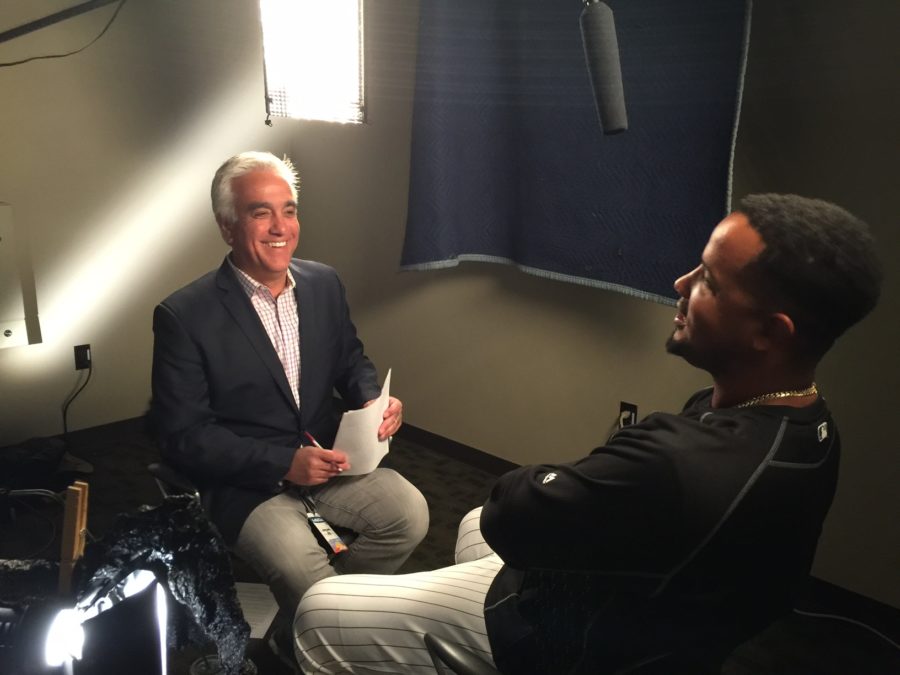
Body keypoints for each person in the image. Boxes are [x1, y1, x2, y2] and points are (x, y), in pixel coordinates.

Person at [292, 194, 882, 674]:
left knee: (323, 609)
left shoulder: (679, 460)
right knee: (469, 526)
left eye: (710, 283)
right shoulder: (811, 425)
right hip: (669, 622)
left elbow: (512, 508)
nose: (681, 282)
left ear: (769, 334)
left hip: (584, 643)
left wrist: (564, 481)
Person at [149, 152, 429, 626]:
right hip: (248, 484)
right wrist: (283, 463)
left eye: (289, 210)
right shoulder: (184, 316)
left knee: (410, 515)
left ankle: (304, 628)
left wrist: (371, 401)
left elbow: (350, 359)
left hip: (330, 460)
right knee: (304, 569)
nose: (280, 227)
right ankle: (332, 630)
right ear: (227, 226)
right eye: (261, 212)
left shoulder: (323, 283)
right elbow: (185, 435)